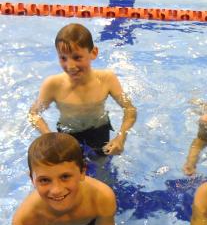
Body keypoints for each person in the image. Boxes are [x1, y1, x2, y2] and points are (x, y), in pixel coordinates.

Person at [28, 23, 137, 156]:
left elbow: (129, 108)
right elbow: (33, 114)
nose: (70, 66)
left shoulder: (107, 79)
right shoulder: (53, 84)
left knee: (102, 169)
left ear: (94, 53)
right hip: (68, 134)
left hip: (99, 130)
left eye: (77, 57)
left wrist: (121, 137)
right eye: (63, 58)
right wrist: (49, 136)